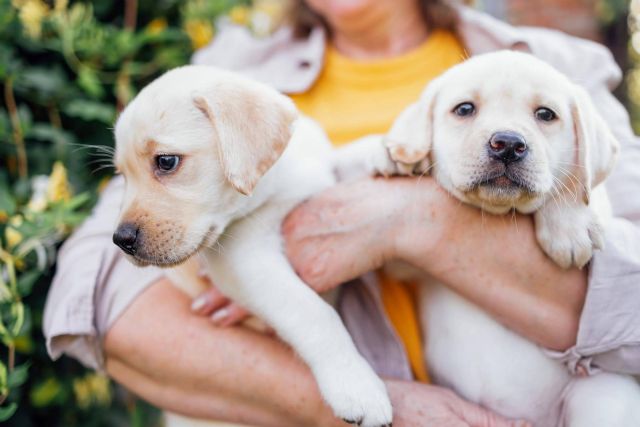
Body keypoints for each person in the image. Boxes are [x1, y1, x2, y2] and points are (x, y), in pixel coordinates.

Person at [43, 0, 640, 426]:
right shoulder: (229, 73)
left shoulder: (561, 68)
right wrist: (361, 404)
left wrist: (406, 220)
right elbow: (93, 297)